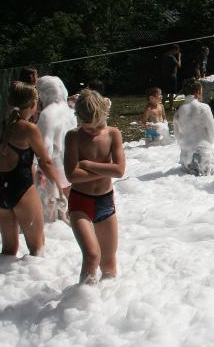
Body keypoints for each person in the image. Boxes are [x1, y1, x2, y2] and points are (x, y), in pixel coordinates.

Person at [64, 89, 126, 284]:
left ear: (103, 114)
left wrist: (88, 165)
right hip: (80, 203)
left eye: (95, 126)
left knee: (108, 265)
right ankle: (82, 303)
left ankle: (104, 305)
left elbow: (119, 171)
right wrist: (106, 169)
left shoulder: (113, 134)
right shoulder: (73, 136)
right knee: (92, 256)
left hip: (105, 202)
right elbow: (72, 175)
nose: (91, 131)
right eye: (86, 126)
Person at [0, 81, 60, 256]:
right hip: (20, 190)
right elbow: (46, 162)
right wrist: (60, 187)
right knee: (37, 249)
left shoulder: (1, 127)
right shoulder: (29, 129)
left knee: (8, 251)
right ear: (33, 105)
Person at [36, 76, 77, 223]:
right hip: (71, 164)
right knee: (72, 207)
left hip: (53, 167)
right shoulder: (70, 111)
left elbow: (43, 150)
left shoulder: (47, 114)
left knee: (51, 212)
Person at [174, 79, 214, 176]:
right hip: (202, 155)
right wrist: (209, 142)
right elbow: (212, 130)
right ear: (198, 92)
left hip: (185, 158)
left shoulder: (178, 111)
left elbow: (177, 135)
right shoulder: (204, 108)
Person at [160, 44, 182, 111]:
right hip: (171, 76)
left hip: (165, 76)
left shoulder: (165, 55)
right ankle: (170, 107)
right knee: (171, 93)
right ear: (174, 50)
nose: (177, 52)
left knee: (165, 92)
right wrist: (179, 57)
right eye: (177, 51)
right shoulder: (171, 57)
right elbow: (179, 65)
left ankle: (162, 106)